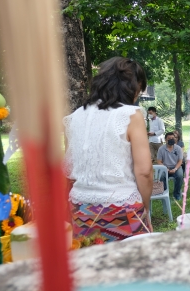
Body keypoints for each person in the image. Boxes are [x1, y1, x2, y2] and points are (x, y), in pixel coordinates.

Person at [64, 57, 153, 241]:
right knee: (131, 265)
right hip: (122, 210)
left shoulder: (73, 118)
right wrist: (146, 208)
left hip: (80, 210)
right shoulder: (131, 115)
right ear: (132, 87)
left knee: (89, 265)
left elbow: (71, 170)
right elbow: (144, 171)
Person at [157, 132, 184, 201]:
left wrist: (175, 169)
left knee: (180, 176)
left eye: (173, 138)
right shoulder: (161, 149)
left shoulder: (178, 148)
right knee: (162, 177)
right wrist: (166, 169)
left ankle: (177, 194)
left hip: (176, 167)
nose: (171, 140)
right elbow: (159, 161)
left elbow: (180, 161)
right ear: (166, 140)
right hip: (165, 167)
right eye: (169, 139)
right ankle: (165, 193)